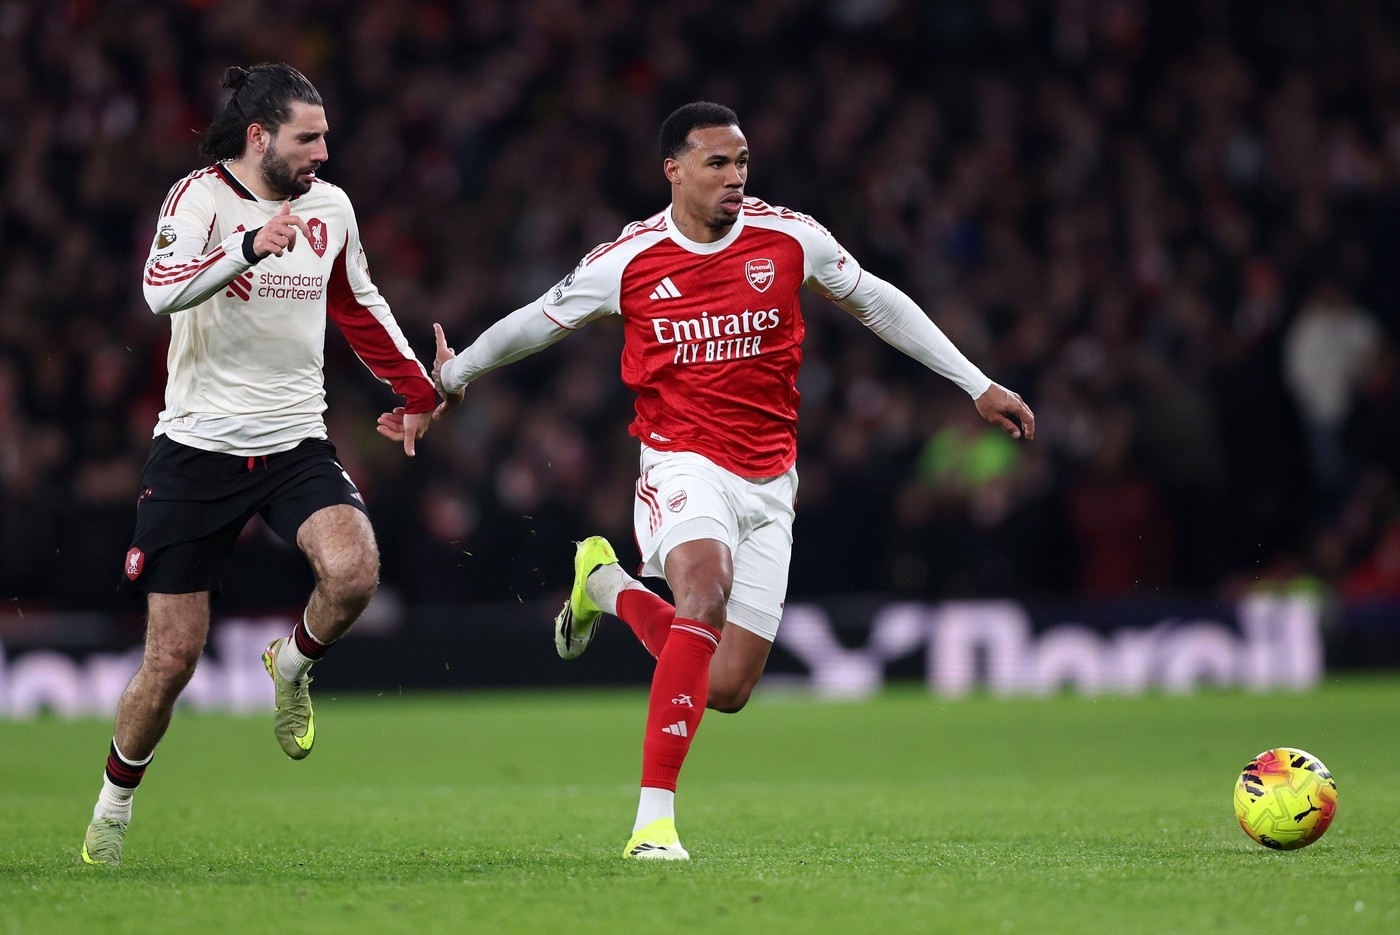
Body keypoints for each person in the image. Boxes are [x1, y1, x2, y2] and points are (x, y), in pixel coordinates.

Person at [422, 101, 1034, 860]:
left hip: (771, 477)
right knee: (702, 591)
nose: (736, 177)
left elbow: (878, 300)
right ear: (674, 170)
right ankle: (653, 824)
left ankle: (605, 584)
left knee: (726, 686)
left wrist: (974, 383)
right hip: (681, 460)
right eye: (718, 163)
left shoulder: (789, 238)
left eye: (742, 162)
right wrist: (453, 375)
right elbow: (537, 319)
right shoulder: (629, 259)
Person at [80, 63, 441, 865]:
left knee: (354, 571)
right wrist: (247, 244)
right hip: (196, 449)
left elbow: (356, 301)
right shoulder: (199, 198)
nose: (322, 152)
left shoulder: (331, 208)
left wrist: (418, 387)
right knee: (172, 659)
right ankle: (113, 802)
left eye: (324, 136)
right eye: (306, 138)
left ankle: (292, 664)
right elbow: (157, 293)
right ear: (259, 137)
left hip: (293, 440)